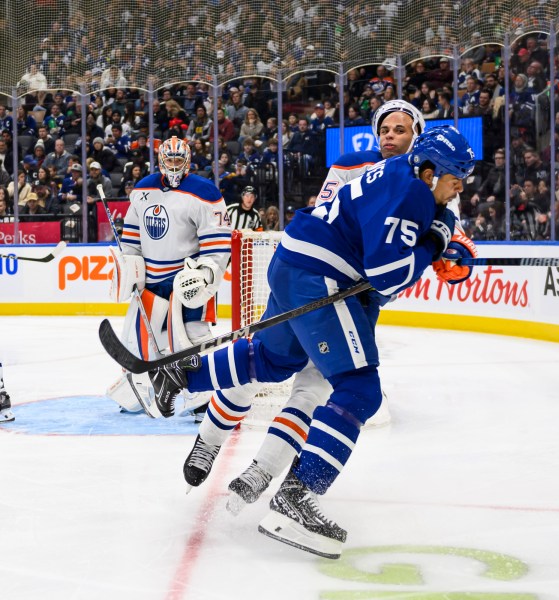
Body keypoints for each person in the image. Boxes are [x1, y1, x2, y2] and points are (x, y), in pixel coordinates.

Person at [147, 125, 476, 559]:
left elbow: (426, 225)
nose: (458, 190)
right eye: (455, 180)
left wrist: (445, 229)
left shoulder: (403, 174)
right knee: (360, 389)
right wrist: (436, 244)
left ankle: (181, 374)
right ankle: (297, 498)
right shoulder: (411, 192)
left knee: (273, 359)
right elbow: (388, 275)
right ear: (431, 172)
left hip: (294, 261)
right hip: (322, 276)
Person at [106, 137, 231, 420]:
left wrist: (206, 273)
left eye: (178, 160)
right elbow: (133, 237)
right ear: (161, 161)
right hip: (151, 278)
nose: (173, 165)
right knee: (140, 340)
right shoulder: (143, 189)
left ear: (187, 161)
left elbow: (218, 242)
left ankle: (202, 399)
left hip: (186, 278)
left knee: (192, 336)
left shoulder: (205, 192)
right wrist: (129, 266)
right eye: (169, 160)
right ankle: (137, 392)